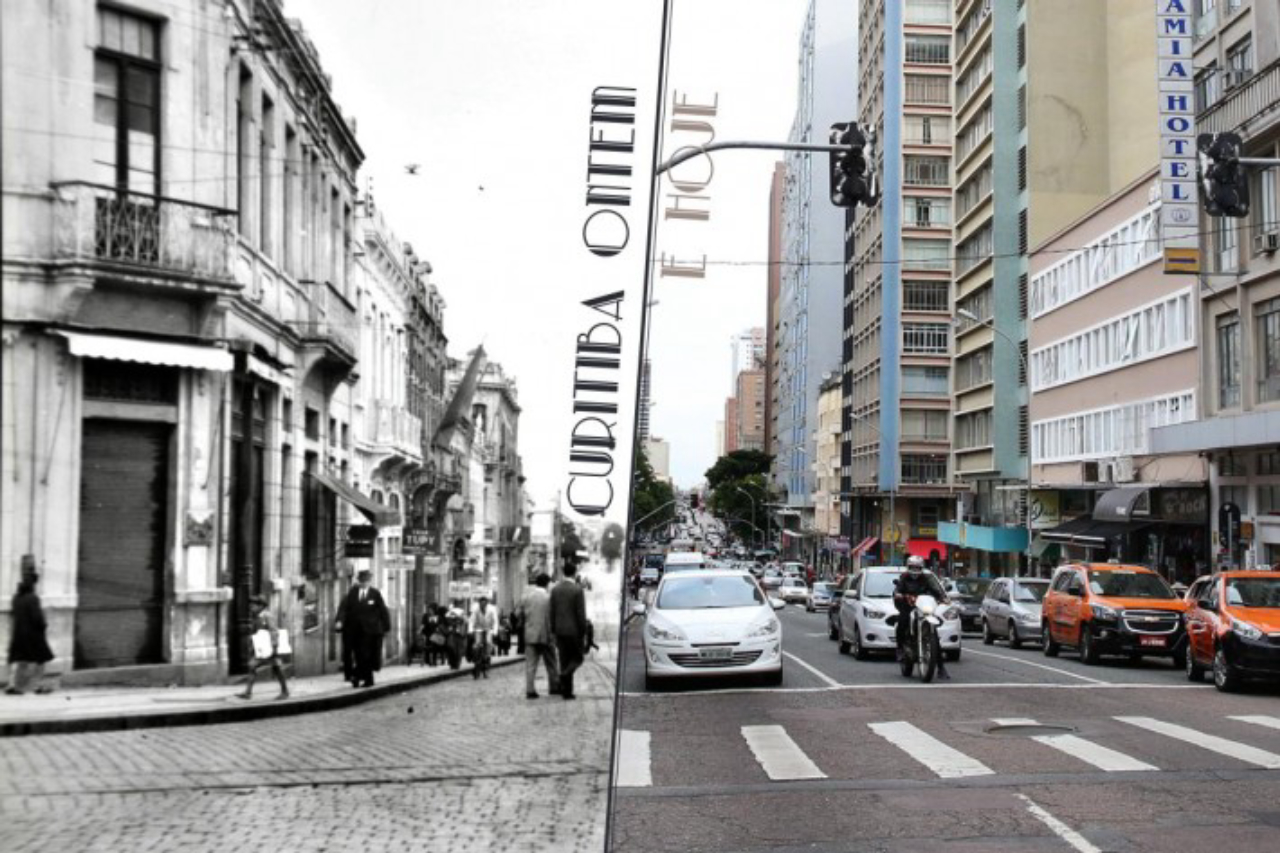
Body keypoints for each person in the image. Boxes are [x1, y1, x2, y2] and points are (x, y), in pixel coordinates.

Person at [893, 556, 949, 679]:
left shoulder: (926, 578)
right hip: (908, 605)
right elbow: (897, 590)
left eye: (917, 568)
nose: (915, 570)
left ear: (921, 568)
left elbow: (935, 590)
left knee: (935, 637)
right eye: (912, 567)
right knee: (903, 620)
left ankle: (941, 667)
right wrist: (900, 595)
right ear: (908, 567)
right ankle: (900, 648)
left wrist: (943, 597)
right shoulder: (904, 577)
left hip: (923, 607)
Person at [334, 569, 390, 688]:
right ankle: (361, 677)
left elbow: (383, 611)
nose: (364, 583)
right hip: (355, 631)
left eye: (366, 581)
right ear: (359, 581)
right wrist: (339, 621)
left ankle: (362, 677)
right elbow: (344, 608)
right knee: (360, 655)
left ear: (370, 581)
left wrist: (386, 627)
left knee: (367, 656)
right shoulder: (352, 593)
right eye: (362, 581)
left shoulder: (375, 594)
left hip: (371, 631)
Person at [6, 570, 54, 695]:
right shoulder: (33, 598)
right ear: (33, 584)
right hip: (33, 635)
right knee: (41, 659)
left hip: (18, 634)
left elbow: (13, 614)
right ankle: (37, 686)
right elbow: (37, 618)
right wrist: (43, 626)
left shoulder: (16, 598)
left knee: (18, 659)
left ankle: (12, 685)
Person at [237, 595, 290, 700]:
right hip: (262, 648)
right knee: (253, 666)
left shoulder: (267, 616)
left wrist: (274, 646)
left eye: (253, 606)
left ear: (261, 606)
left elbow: (274, 631)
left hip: (269, 648)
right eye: (251, 606)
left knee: (277, 668)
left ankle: (285, 691)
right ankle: (248, 692)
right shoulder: (257, 616)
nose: (251, 608)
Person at [550, 561, 589, 700]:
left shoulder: (555, 590)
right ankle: (565, 675)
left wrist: (553, 630)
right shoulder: (577, 590)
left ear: (563, 572)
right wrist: (583, 631)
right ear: (574, 573)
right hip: (574, 631)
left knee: (564, 659)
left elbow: (552, 612)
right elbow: (580, 613)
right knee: (578, 657)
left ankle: (567, 691)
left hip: (560, 631)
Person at [519, 572, 558, 699]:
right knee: (551, 662)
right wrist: (552, 634)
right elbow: (551, 617)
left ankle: (530, 689)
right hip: (545, 634)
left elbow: (520, 614)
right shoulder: (548, 598)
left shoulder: (526, 597)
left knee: (530, 664)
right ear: (547, 584)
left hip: (530, 634)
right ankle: (554, 687)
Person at [468, 595, 497, 679]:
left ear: (487, 603)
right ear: (479, 603)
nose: (483, 605)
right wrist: (470, 630)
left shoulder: (492, 609)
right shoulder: (475, 609)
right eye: (481, 604)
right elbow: (472, 620)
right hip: (478, 629)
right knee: (476, 644)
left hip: (488, 629)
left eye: (484, 603)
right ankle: (476, 660)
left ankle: (487, 659)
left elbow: (495, 621)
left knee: (488, 643)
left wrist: (495, 632)